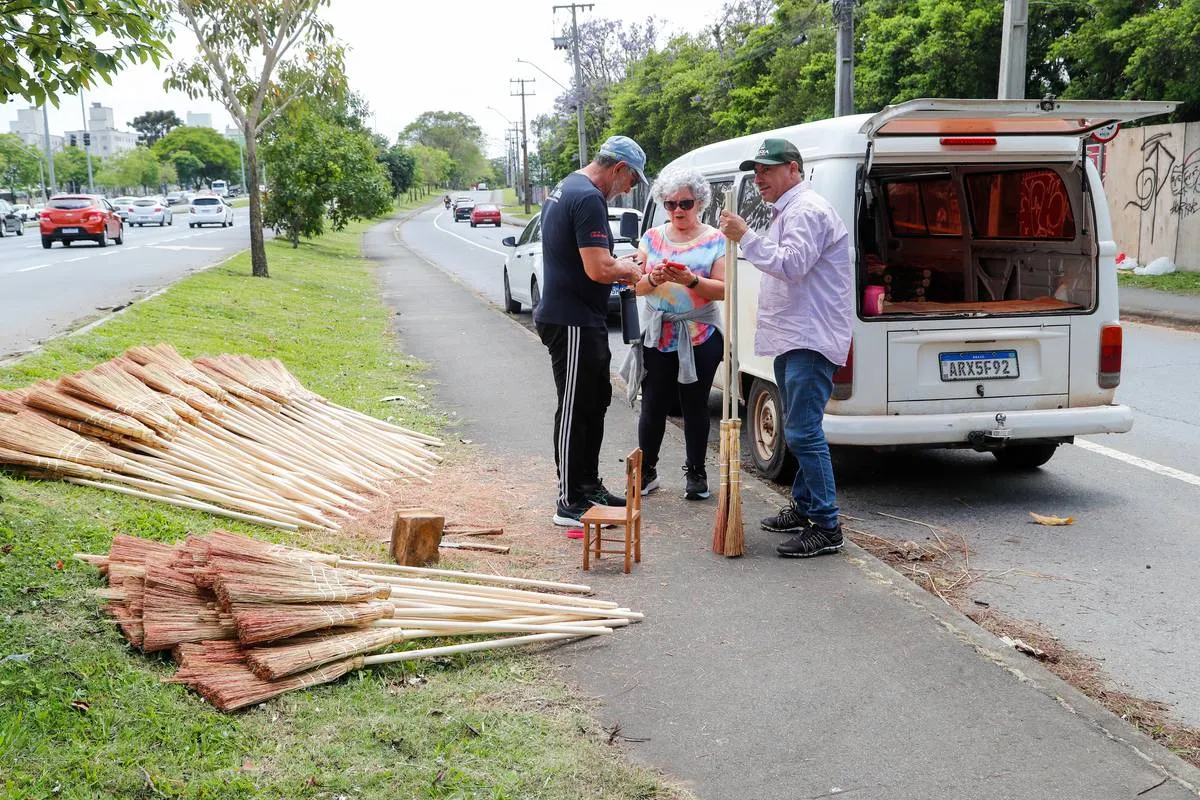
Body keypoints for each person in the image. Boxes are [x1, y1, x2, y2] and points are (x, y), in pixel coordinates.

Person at [717, 138, 853, 558]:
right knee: (798, 427)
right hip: (796, 336)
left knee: (803, 430)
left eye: (767, 170)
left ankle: (827, 526)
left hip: (810, 337)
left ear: (793, 169)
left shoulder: (807, 211)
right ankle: (806, 506)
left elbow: (792, 265)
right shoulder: (790, 211)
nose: (759, 179)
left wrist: (745, 237)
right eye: (756, 172)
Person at [535, 135, 648, 527]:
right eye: (632, 179)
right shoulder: (588, 197)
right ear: (618, 169)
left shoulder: (571, 186)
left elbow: (592, 260)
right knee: (575, 408)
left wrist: (619, 261)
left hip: (583, 316)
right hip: (573, 319)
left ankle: (587, 485)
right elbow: (598, 268)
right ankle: (569, 499)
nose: (630, 188)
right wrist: (629, 268)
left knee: (595, 401)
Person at [619, 166, 726, 501]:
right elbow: (635, 286)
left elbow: (722, 289)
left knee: (695, 406)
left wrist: (689, 280)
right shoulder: (651, 237)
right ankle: (647, 470)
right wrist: (656, 278)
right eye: (670, 204)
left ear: (699, 202)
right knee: (653, 404)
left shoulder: (715, 239)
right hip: (657, 334)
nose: (678, 210)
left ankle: (696, 473)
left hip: (701, 333)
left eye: (685, 203)